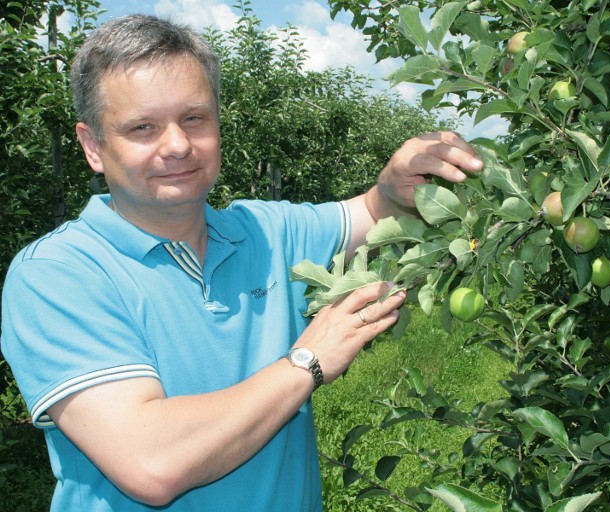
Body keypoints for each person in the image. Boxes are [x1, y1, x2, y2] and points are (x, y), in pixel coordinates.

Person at [0, 14, 483, 512]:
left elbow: (370, 212)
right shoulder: (58, 274)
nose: (178, 145)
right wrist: (307, 362)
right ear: (93, 146)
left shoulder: (265, 233)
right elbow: (152, 462)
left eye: (194, 118)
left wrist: (393, 185)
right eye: (142, 127)